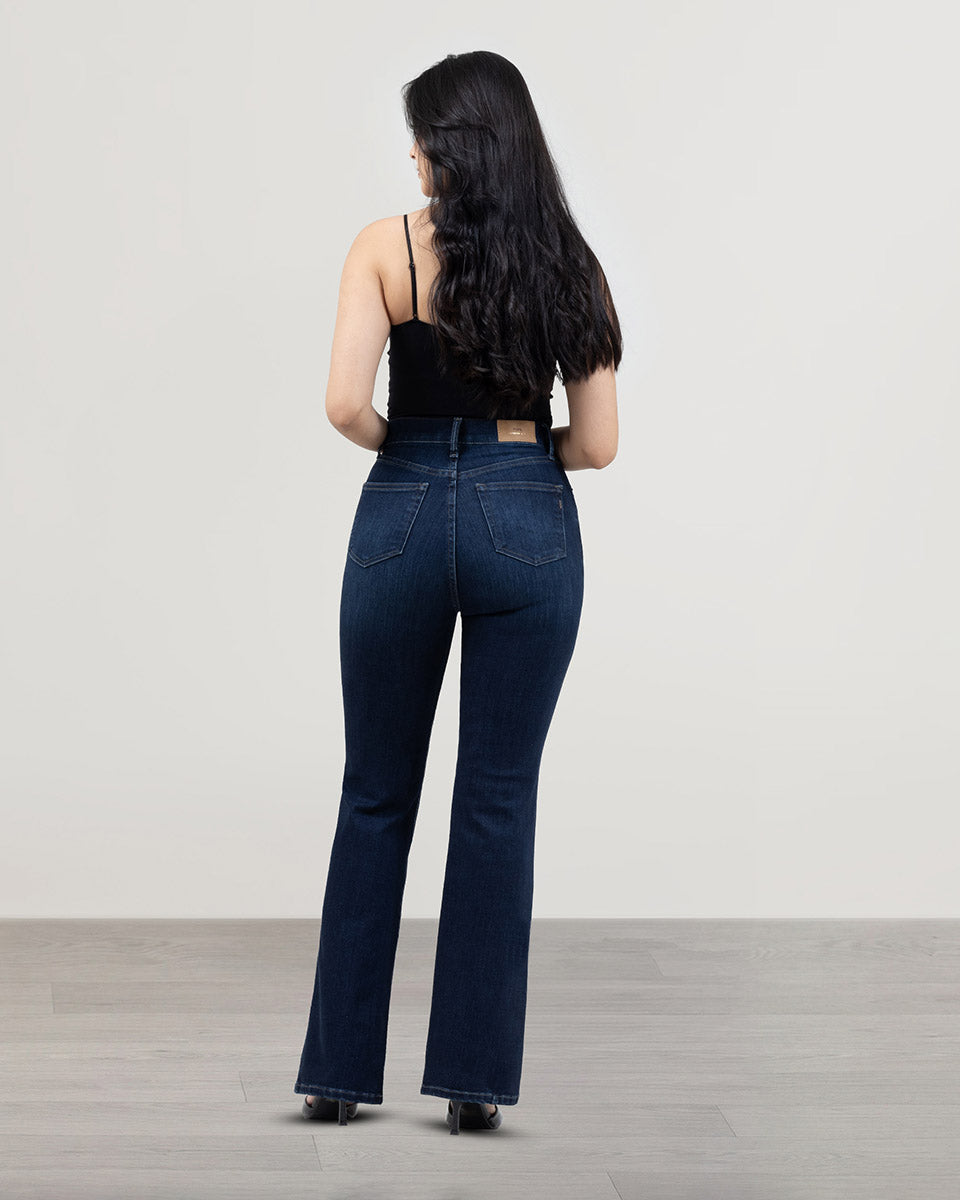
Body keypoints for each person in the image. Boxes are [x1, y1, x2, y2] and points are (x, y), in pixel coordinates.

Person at [294, 49, 622, 1135]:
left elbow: (344, 405)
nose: (413, 154)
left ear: (456, 146)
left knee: (374, 793)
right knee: (496, 800)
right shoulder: (569, 262)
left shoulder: (382, 248)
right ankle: (473, 1083)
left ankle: (337, 1076)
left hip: (399, 509)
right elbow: (600, 445)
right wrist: (514, 456)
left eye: (424, 135)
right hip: (527, 516)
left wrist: (416, 454)